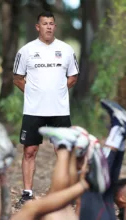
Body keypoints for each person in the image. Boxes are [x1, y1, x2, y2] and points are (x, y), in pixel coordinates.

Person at [13, 10, 79, 206]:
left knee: (63, 151)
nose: (49, 26)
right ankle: (27, 194)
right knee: (30, 151)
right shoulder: (26, 51)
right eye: (45, 23)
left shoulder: (66, 49)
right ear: (38, 27)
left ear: (55, 26)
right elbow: (17, 78)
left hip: (59, 111)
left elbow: (73, 77)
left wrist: (56, 91)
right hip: (34, 111)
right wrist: (34, 93)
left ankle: (65, 193)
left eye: (52, 23)